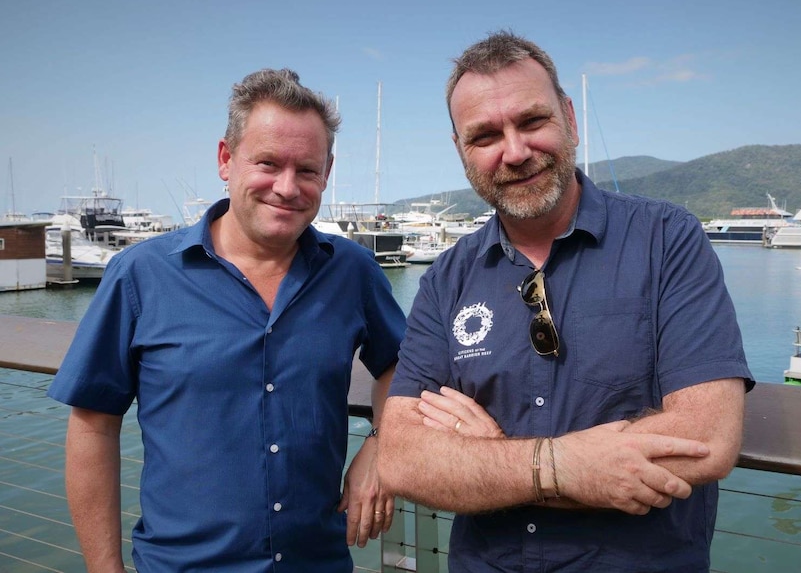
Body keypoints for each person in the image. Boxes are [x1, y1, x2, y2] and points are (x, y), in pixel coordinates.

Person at [378, 31, 754, 573]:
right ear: (462, 152)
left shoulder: (667, 240)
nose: (515, 151)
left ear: (569, 119)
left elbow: (705, 438)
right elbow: (403, 459)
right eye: (485, 135)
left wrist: (486, 461)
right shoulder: (447, 276)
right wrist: (556, 466)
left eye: (532, 122)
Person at [48, 68, 406, 572]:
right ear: (226, 159)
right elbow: (92, 426)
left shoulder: (352, 271)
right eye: (267, 163)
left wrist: (381, 444)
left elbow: (404, 365)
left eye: (307, 169)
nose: (287, 187)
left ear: (327, 171)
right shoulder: (141, 275)